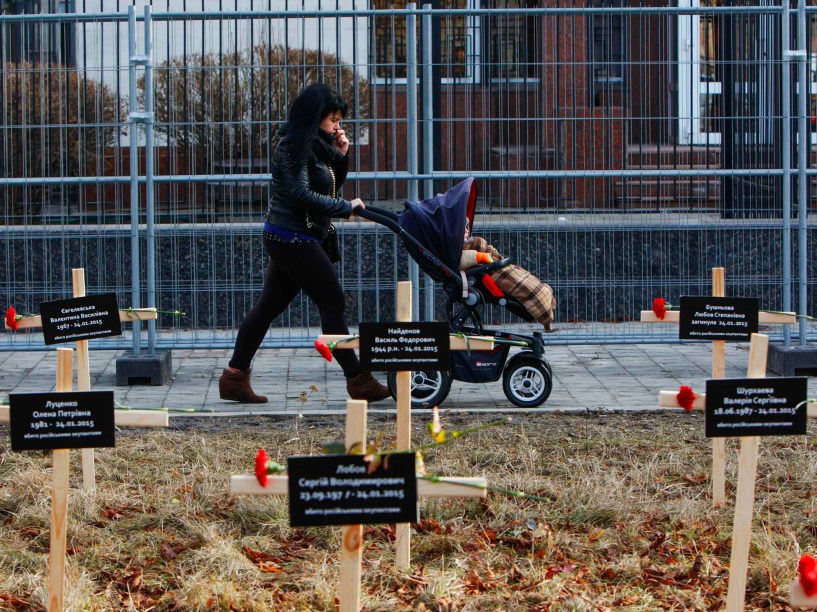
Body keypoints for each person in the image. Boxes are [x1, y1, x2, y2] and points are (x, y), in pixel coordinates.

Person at [219, 84, 391, 404]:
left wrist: (341, 157)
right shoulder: (293, 146)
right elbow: (301, 195)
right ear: (314, 118)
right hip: (290, 236)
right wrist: (345, 208)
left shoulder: (317, 146)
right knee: (332, 299)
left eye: (339, 119)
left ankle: (234, 377)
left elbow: (329, 185)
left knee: (269, 306)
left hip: (298, 236)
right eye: (333, 119)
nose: (337, 126)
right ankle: (358, 379)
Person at [459, 222, 557, 332]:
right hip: (490, 272)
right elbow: (467, 258)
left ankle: (546, 317)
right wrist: (481, 256)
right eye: (463, 228)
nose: (467, 231)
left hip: (496, 267)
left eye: (467, 227)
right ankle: (546, 319)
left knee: (530, 284)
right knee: (526, 288)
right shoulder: (462, 250)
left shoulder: (472, 243)